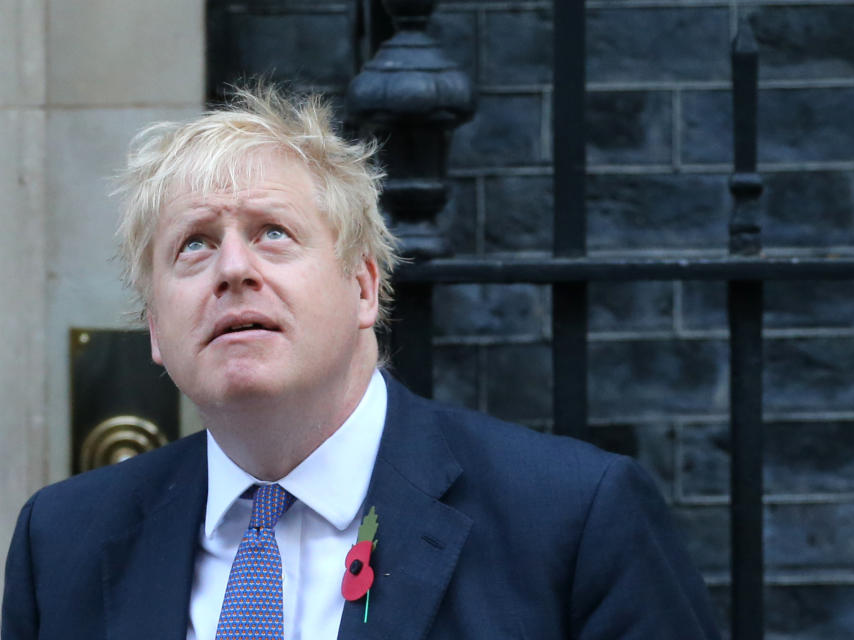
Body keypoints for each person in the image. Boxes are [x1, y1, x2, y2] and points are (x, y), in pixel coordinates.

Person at [2, 87, 719, 640]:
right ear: (156, 327)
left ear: (364, 287)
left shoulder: (572, 518)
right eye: (192, 244)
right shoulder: (61, 543)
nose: (231, 269)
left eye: (272, 232)